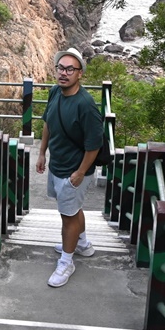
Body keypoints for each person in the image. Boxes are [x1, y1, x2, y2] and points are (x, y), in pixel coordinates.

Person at [35, 47, 103, 288]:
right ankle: (81, 242)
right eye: (61, 68)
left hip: (75, 171)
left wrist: (81, 172)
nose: (64, 73)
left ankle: (67, 261)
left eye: (70, 69)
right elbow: (48, 123)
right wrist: (42, 153)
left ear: (80, 73)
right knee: (72, 211)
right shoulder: (55, 92)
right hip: (57, 165)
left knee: (68, 217)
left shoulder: (86, 106)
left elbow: (94, 145)